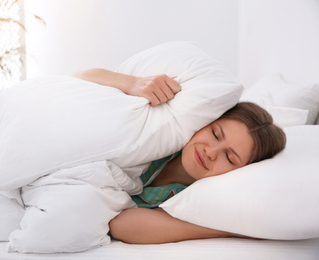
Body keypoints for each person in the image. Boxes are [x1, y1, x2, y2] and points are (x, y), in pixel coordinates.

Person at [73, 68, 286, 244]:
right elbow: (79, 79)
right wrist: (132, 83)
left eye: (229, 158)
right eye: (214, 134)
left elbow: (120, 225)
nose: (210, 152)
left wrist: (228, 230)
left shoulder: (196, 198)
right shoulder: (165, 130)